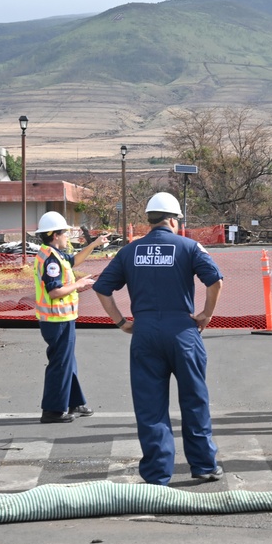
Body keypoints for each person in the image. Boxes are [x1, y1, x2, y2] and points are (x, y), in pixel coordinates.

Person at [93, 192, 224, 486]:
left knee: (150, 405)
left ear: (149, 221)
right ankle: (203, 465)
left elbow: (102, 289)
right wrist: (205, 314)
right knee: (194, 400)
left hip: (145, 331)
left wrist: (120, 321)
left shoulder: (130, 251)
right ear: (173, 220)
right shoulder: (189, 247)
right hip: (183, 331)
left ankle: (156, 474)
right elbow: (215, 281)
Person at [33, 211, 109, 423]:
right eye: (65, 233)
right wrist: (79, 284)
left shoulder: (53, 254)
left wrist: (94, 245)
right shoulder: (50, 259)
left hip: (60, 319)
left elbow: (74, 261)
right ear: (55, 235)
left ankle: (75, 402)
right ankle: (52, 410)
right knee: (61, 364)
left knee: (67, 362)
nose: (67, 237)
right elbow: (54, 291)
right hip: (57, 319)